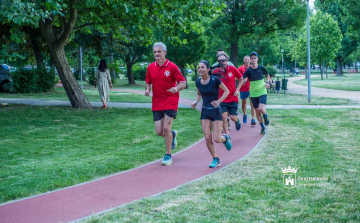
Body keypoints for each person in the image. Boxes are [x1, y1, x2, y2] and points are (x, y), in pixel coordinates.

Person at [145, 42, 186, 166]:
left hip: (170, 100)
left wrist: (176, 88)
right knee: (159, 132)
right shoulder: (150, 67)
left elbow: (183, 83)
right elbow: (148, 82)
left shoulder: (172, 67)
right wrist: (147, 90)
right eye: (155, 52)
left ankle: (168, 155)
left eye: (159, 51)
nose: (156, 54)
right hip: (157, 102)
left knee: (166, 128)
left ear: (164, 52)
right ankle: (172, 135)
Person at [191, 60, 232, 168]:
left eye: (203, 67)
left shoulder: (215, 80)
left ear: (208, 69)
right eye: (199, 67)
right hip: (205, 111)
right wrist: (195, 101)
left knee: (217, 139)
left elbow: (227, 91)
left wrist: (219, 101)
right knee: (207, 137)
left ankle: (225, 138)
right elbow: (199, 95)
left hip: (216, 111)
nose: (200, 69)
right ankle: (215, 158)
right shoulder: (198, 82)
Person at [214, 52, 243, 136]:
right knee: (224, 116)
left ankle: (237, 120)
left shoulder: (232, 69)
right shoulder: (216, 72)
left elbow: (241, 79)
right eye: (219, 61)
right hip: (222, 98)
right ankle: (227, 135)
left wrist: (237, 90)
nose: (221, 62)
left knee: (233, 117)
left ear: (227, 60)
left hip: (232, 97)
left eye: (223, 60)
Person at [242, 52, 270, 135]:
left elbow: (267, 75)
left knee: (261, 109)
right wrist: (244, 80)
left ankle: (265, 115)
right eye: (252, 58)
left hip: (262, 91)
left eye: (254, 58)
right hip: (253, 94)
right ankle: (262, 126)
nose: (253, 59)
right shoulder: (248, 70)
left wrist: (267, 82)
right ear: (250, 60)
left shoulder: (261, 68)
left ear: (257, 59)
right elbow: (244, 78)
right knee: (257, 111)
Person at [212, 49, 233, 130]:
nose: (220, 61)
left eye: (221, 54)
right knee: (222, 111)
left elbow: (234, 74)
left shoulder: (230, 64)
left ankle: (228, 122)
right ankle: (223, 125)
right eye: (218, 55)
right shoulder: (215, 65)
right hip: (219, 90)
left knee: (228, 113)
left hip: (229, 90)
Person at [238, 55, 256, 125]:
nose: (247, 61)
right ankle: (245, 114)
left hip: (252, 88)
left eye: (248, 59)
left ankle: (253, 119)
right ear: (243, 61)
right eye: (245, 59)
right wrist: (242, 79)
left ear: (250, 60)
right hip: (243, 89)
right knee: (244, 103)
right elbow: (236, 77)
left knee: (252, 104)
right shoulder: (240, 68)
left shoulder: (253, 68)